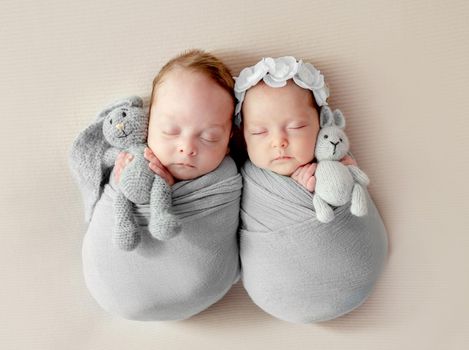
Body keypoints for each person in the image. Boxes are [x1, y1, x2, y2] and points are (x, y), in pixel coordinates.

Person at [79, 49, 243, 321]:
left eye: (210, 137)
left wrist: (171, 194)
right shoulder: (131, 159)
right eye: (170, 131)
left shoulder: (225, 178)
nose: (187, 148)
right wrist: (129, 183)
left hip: (203, 284)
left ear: (228, 142)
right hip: (114, 283)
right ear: (147, 124)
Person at [235, 56, 388, 323]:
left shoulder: (333, 158)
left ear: (321, 124)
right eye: (259, 132)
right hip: (277, 284)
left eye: (296, 127)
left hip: (349, 263)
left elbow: (351, 190)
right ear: (242, 136)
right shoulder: (247, 178)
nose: (279, 142)